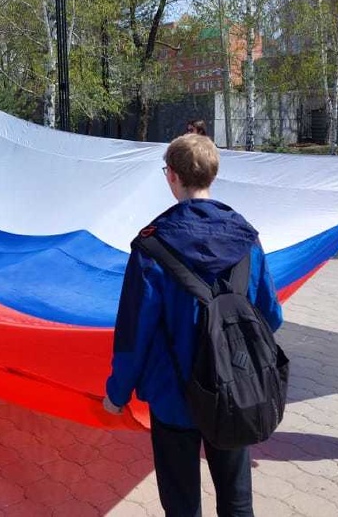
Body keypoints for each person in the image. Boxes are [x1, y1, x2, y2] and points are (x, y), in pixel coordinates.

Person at [103, 134, 282, 517]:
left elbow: (134, 334)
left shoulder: (152, 246)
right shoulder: (246, 237)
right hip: (235, 388)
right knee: (237, 501)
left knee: (181, 504)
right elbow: (271, 315)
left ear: (172, 175)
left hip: (173, 396)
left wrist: (117, 393)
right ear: (213, 174)